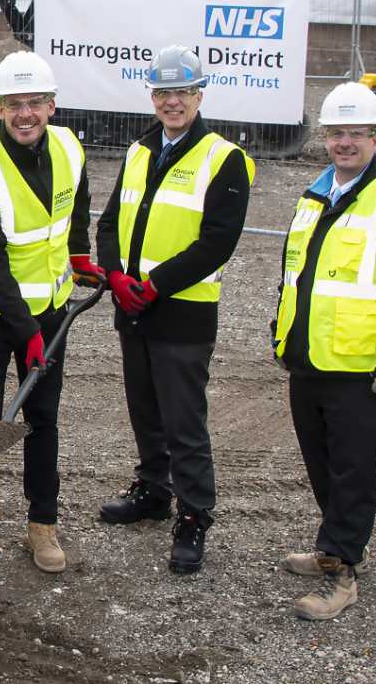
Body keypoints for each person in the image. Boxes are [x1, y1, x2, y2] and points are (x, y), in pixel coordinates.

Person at [272, 82, 376, 621]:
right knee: (322, 465)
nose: (345, 143)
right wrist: (282, 332)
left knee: (352, 470)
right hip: (309, 361)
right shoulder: (314, 197)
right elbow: (295, 277)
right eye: (337, 133)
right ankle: (333, 543)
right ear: (326, 137)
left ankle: (342, 569)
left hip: (361, 369)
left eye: (356, 134)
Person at [95, 45, 254, 575]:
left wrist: (156, 284)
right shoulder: (140, 152)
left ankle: (194, 514)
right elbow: (110, 221)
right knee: (144, 409)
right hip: (133, 308)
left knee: (184, 419)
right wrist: (115, 274)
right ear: (153, 97)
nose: (172, 102)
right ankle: (153, 490)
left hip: (182, 312)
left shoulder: (222, 158)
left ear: (199, 95)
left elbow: (217, 242)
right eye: (163, 92)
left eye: (182, 92)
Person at [0, 51, 96, 593]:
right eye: (14, 104)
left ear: (52, 105)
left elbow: (76, 208)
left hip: (51, 310)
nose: (26, 113)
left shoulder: (68, 146)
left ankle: (42, 525)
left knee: (43, 420)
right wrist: (28, 333)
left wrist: (80, 259)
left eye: (35, 102)